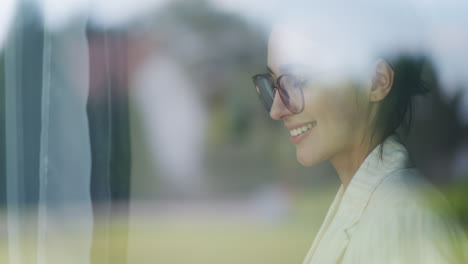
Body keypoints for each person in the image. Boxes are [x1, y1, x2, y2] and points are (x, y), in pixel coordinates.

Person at [251, 13, 467, 264]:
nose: (277, 110)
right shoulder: (371, 207)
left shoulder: (400, 218)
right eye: (274, 86)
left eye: (298, 80)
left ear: (377, 82)